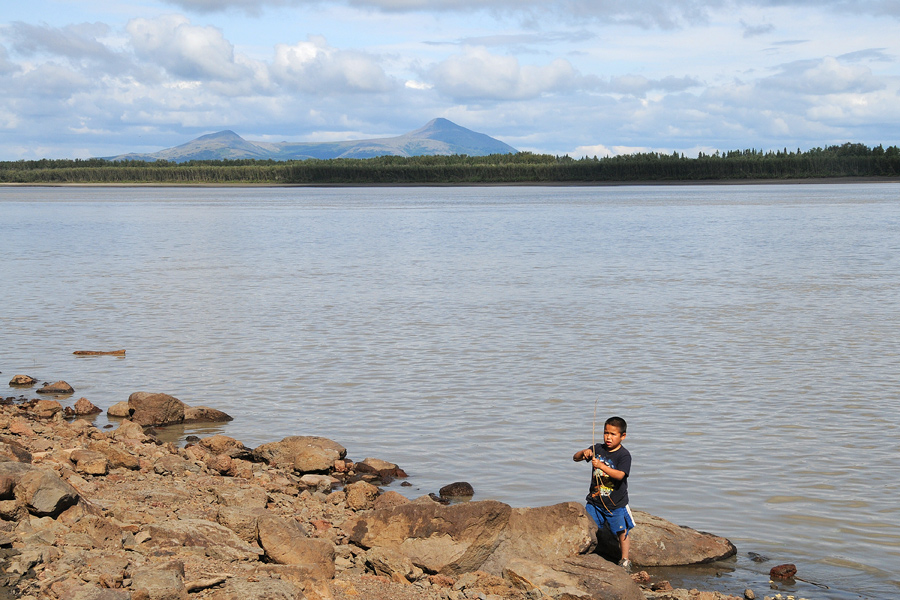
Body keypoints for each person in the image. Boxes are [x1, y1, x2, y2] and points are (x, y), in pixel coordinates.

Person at [573, 416, 634, 571]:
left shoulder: (624, 455)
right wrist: (584, 452)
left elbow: (620, 475)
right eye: (606, 433)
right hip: (595, 501)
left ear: (623, 436)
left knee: (622, 531)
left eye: (613, 434)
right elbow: (575, 458)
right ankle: (588, 551)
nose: (608, 437)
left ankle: (625, 559)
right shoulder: (597, 449)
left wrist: (600, 466)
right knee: (589, 526)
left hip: (616, 503)